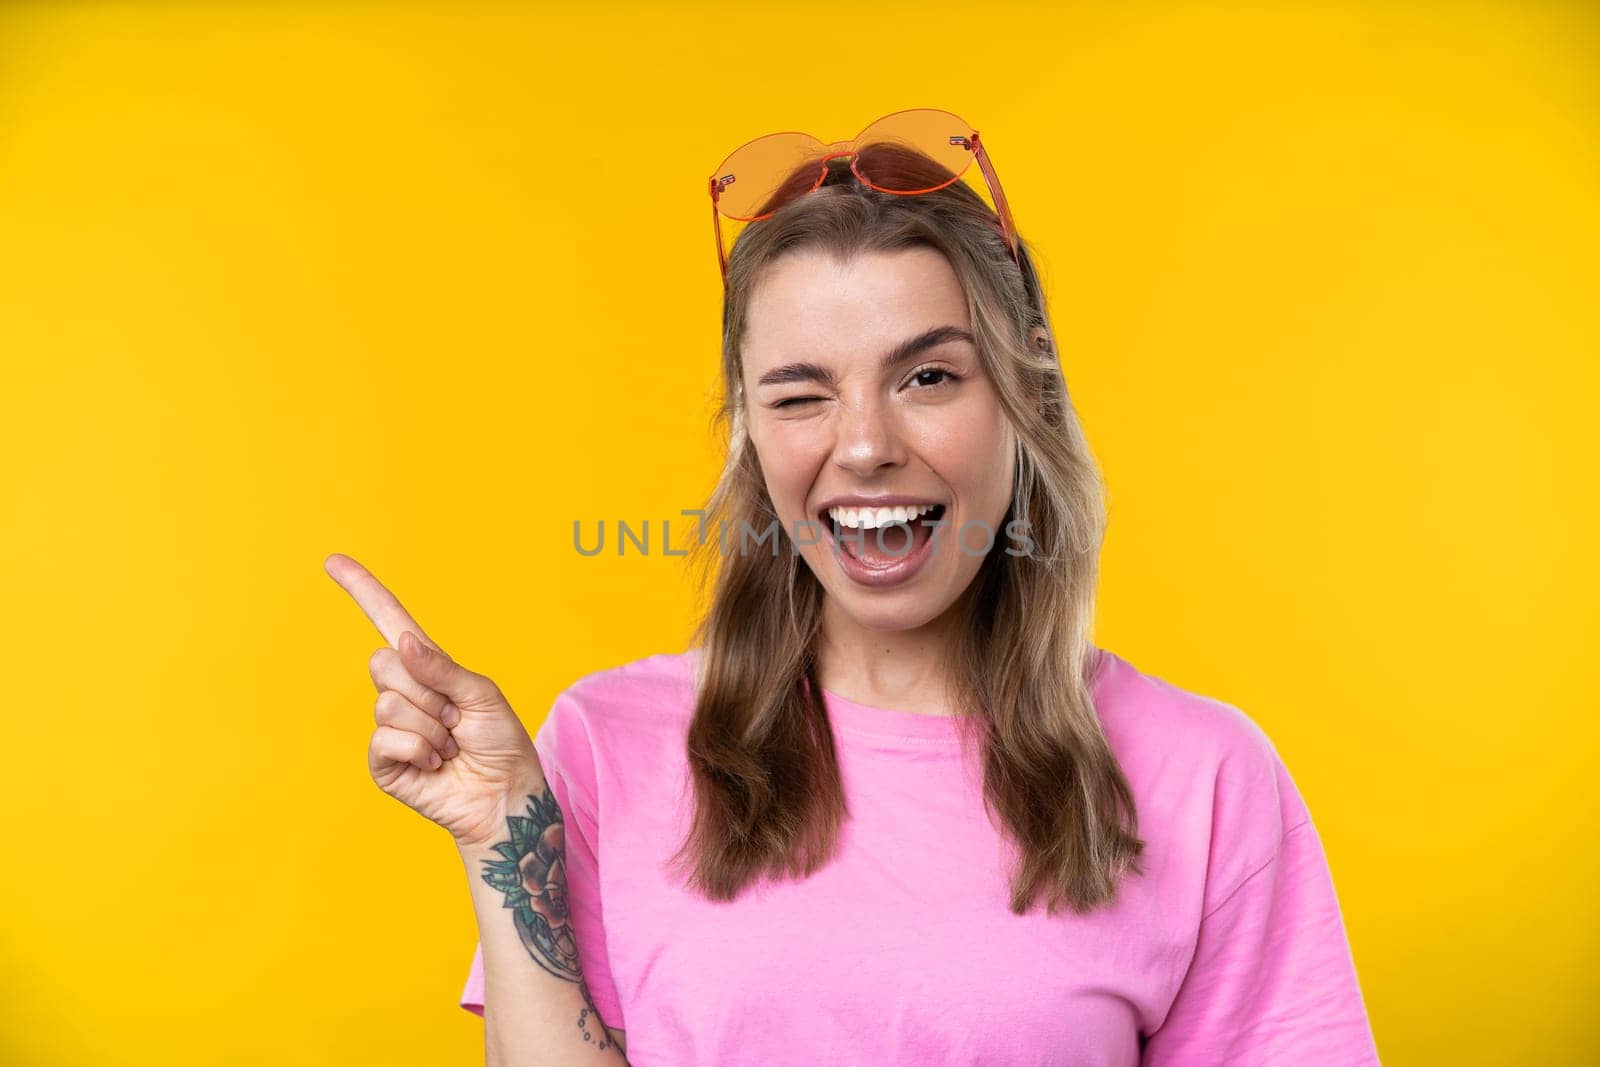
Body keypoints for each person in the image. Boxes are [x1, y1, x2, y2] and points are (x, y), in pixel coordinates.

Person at [328, 109, 1380, 1065]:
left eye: (928, 376)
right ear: (746, 428)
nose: (866, 445)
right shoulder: (604, 745)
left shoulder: (1207, 776)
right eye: (799, 393)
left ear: (1027, 390)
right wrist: (502, 824)